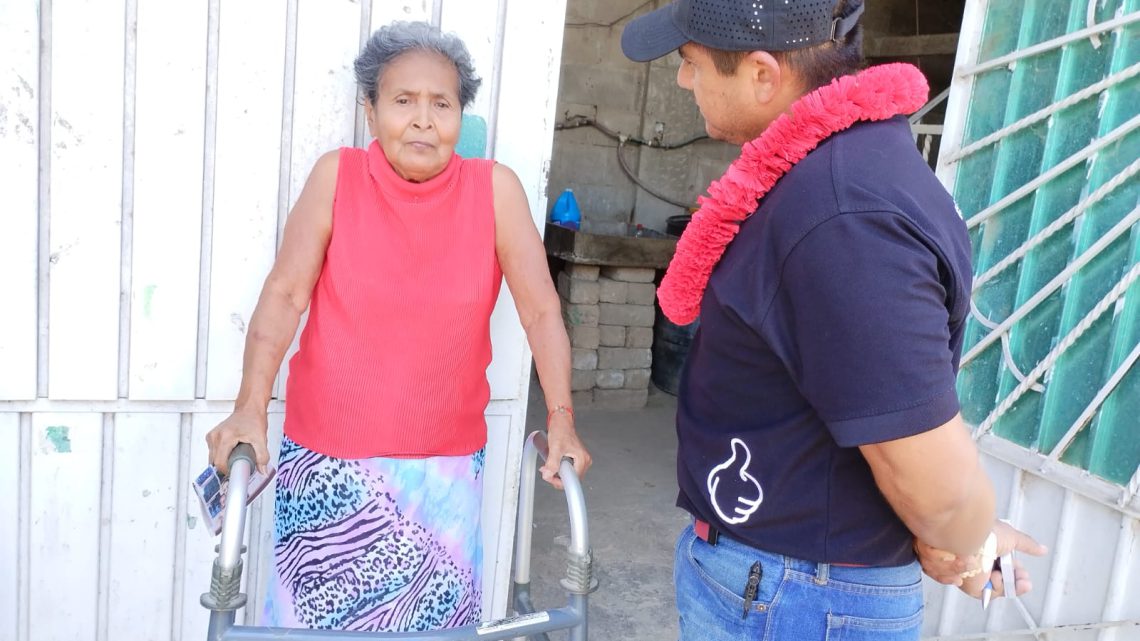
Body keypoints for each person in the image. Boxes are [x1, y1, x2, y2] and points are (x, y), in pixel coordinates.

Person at [620, 1, 1045, 638]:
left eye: (690, 63)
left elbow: (941, 487)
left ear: (763, 73)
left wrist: (960, 538)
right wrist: (955, 529)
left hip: (798, 597)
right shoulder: (833, 174)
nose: (684, 81)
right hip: (786, 582)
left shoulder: (842, 217)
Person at [204, 21, 591, 633]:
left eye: (441, 103)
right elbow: (284, 294)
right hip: (327, 464)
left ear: (460, 116)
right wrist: (250, 406)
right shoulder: (338, 178)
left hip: (442, 478)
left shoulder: (496, 192)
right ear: (371, 109)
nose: (421, 119)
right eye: (402, 101)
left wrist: (563, 420)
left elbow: (542, 310)